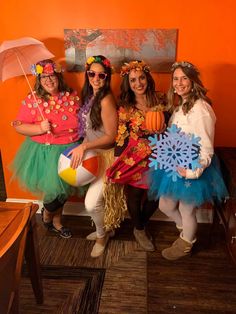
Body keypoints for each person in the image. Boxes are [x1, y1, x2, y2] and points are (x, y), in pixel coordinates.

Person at [148, 61, 228, 260]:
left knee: (186, 208)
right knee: (165, 205)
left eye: (184, 78)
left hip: (193, 164)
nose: (179, 83)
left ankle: (186, 243)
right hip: (176, 161)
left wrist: (193, 172)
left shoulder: (201, 109)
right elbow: (179, 133)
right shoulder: (180, 106)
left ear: (193, 81)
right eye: (176, 78)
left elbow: (207, 147)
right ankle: (186, 230)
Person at [11, 59, 83, 239]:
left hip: (71, 150)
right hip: (46, 152)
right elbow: (19, 126)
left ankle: (56, 220)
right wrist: (39, 128)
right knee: (54, 192)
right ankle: (49, 215)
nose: (48, 80)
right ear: (38, 79)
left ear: (58, 77)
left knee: (64, 190)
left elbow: (83, 122)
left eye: (52, 76)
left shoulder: (72, 96)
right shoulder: (32, 99)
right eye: (44, 77)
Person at [106, 60, 168, 252]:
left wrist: (165, 129)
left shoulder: (161, 100)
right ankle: (139, 230)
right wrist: (118, 158)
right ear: (128, 83)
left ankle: (138, 224)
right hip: (134, 154)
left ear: (147, 78)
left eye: (141, 78)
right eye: (133, 80)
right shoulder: (125, 106)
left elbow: (173, 126)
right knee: (134, 194)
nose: (138, 83)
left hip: (158, 153)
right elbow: (121, 134)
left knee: (155, 195)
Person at [69, 55, 118, 258]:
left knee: (91, 203)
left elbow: (111, 136)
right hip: (92, 154)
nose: (95, 78)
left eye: (101, 75)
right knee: (98, 200)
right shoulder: (90, 95)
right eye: (91, 73)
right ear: (87, 74)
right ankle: (107, 228)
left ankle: (101, 236)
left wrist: (86, 145)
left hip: (106, 156)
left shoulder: (106, 100)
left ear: (107, 78)